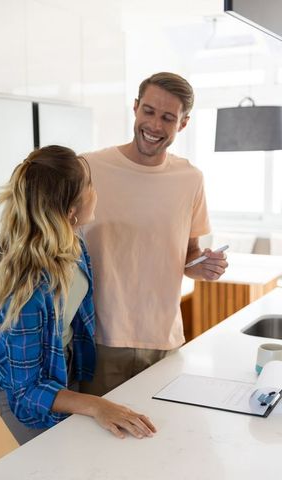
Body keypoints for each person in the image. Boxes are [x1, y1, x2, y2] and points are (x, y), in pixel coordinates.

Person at [0, 145, 156, 445]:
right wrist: (97, 405)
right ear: (72, 210)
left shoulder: (75, 246)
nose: (95, 191)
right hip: (24, 394)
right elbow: (26, 391)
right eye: (90, 185)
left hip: (62, 372)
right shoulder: (30, 288)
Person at [80, 72, 228, 397]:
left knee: (162, 438)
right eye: (148, 111)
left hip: (164, 339)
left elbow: (189, 253)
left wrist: (202, 265)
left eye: (167, 118)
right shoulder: (88, 169)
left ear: (183, 123)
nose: (155, 126)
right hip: (101, 340)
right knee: (99, 444)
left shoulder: (190, 179)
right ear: (135, 108)